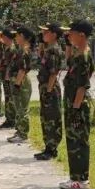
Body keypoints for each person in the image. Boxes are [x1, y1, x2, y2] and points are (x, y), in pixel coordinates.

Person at [60, 19, 95, 189]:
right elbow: (68, 63)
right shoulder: (77, 54)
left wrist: (75, 108)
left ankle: (81, 178)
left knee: (79, 141)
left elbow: (82, 86)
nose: (68, 35)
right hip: (73, 104)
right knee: (73, 140)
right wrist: (68, 46)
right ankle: (75, 176)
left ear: (81, 35)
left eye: (71, 33)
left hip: (78, 106)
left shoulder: (84, 56)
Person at [35, 22, 64, 160]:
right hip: (45, 86)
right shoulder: (48, 48)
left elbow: (53, 73)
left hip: (50, 87)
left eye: (46, 32)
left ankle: (52, 148)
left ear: (53, 34)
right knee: (45, 118)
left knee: (51, 118)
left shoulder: (54, 50)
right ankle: (48, 146)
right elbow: (40, 57)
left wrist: (48, 90)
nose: (43, 34)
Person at [8, 25, 33, 144]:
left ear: (22, 36)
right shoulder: (20, 49)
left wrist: (17, 84)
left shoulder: (24, 51)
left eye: (17, 35)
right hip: (18, 80)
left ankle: (23, 134)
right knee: (18, 108)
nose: (15, 37)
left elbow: (22, 70)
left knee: (22, 108)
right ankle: (19, 131)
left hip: (21, 82)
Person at [0, 28, 16, 130]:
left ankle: (11, 120)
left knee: (10, 99)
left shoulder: (12, 49)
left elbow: (11, 64)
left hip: (9, 77)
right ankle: (9, 119)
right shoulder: (7, 48)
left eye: (2, 37)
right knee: (7, 98)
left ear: (6, 37)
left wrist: (7, 75)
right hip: (6, 76)